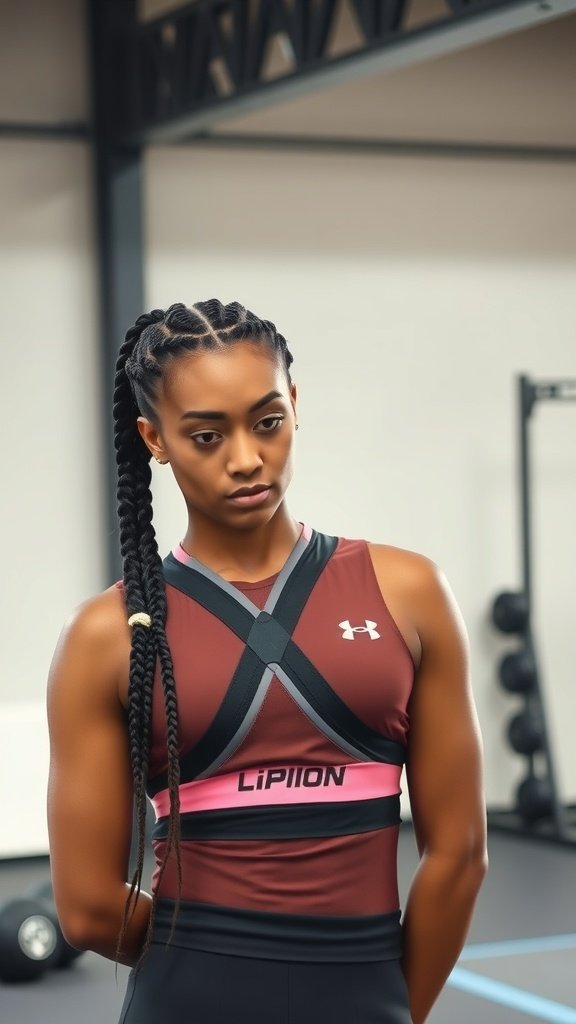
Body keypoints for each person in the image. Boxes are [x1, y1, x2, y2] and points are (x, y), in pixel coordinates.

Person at [47, 299, 487, 1024]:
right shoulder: (109, 635)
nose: (246, 458)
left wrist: (218, 958)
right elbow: (87, 908)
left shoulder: (411, 595)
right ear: (154, 439)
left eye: (267, 422)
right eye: (207, 435)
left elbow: (462, 856)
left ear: (295, 403)